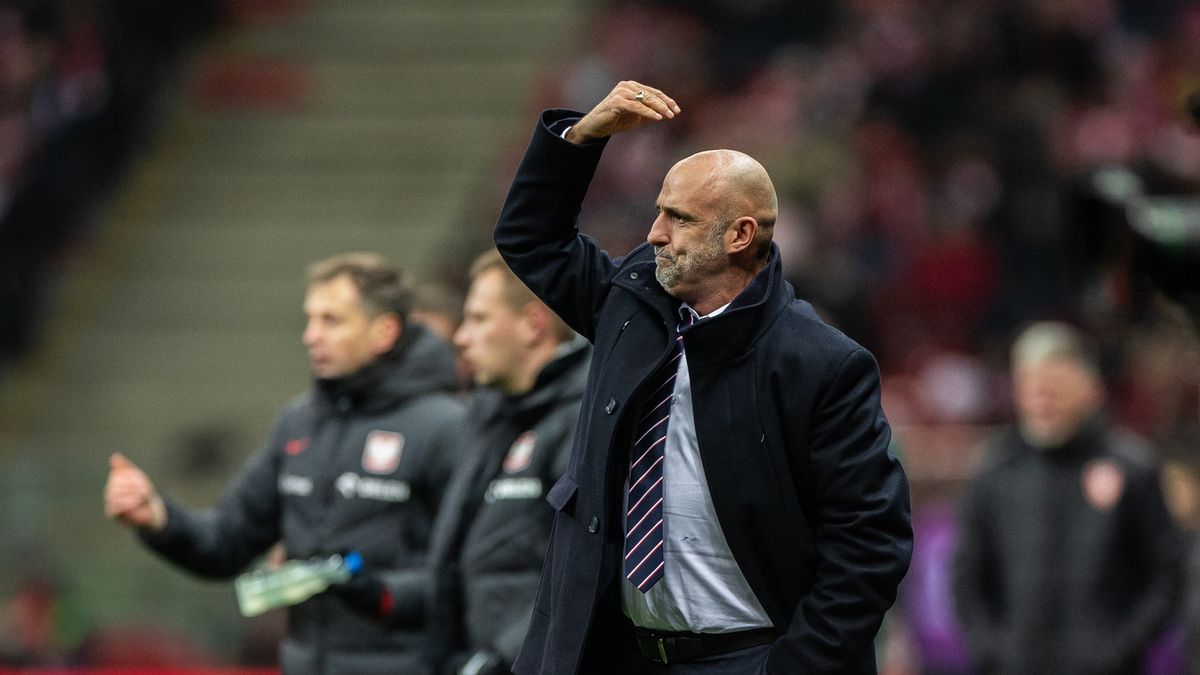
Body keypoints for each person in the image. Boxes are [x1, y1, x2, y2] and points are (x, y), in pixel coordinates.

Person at [493, 80, 912, 674]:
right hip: (621, 654)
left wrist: (793, 667)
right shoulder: (632, 303)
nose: (654, 234)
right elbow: (530, 238)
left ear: (740, 235)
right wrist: (581, 138)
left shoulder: (820, 363)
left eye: (679, 219)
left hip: (748, 657)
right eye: (658, 211)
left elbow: (868, 544)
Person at [103, 252, 467, 674]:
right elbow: (227, 542)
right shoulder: (299, 423)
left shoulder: (447, 427)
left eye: (332, 321)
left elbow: (470, 574)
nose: (311, 336)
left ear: (384, 332)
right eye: (310, 319)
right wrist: (158, 518)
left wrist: (379, 592)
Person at [396, 249, 592, 674]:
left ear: (533, 324)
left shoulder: (584, 419)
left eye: (479, 319)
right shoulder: (485, 417)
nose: (462, 338)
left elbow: (581, 570)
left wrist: (504, 656)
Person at [953, 321, 1184, 675]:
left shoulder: (1132, 468)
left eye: (1054, 386)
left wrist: (1120, 650)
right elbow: (967, 576)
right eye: (1030, 385)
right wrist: (995, 651)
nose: (1040, 398)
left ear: (1092, 390)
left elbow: (1167, 574)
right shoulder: (995, 472)